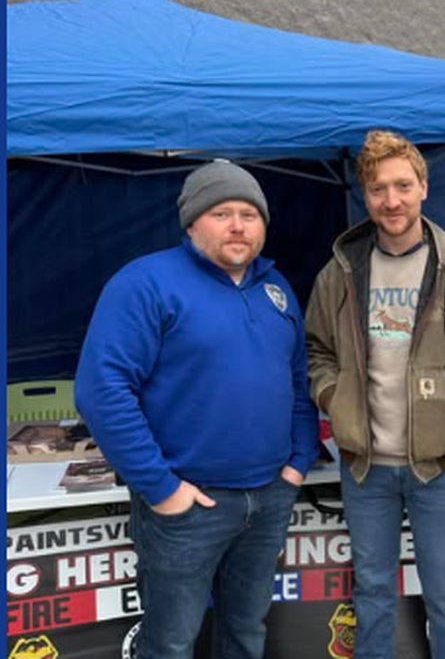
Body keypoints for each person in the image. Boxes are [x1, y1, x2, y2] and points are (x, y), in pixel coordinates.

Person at [75, 160, 319, 659]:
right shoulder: (146, 283)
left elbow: (297, 380)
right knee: (169, 642)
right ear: (191, 223)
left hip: (268, 496)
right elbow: (103, 390)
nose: (237, 226)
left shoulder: (276, 290)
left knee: (246, 631)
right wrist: (162, 488)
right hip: (188, 506)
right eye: (221, 213)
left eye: (249, 215)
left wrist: (298, 461)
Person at [305, 130, 445, 659]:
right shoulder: (340, 271)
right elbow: (315, 348)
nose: (392, 200)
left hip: (441, 467)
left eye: (402, 186)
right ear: (364, 196)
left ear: (424, 187)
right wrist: (331, 396)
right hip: (365, 468)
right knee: (371, 593)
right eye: (379, 189)